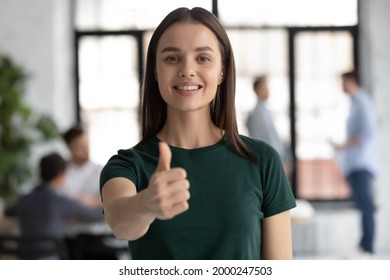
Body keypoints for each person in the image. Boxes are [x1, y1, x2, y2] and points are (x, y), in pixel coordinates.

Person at [100, 7, 296, 260]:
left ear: (222, 71)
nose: (187, 70)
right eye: (172, 58)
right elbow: (121, 222)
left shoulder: (262, 160)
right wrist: (147, 203)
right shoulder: (126, 166)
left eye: (202, 58)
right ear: (156, 71)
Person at [4, 152, 104, 259]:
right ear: (60, 175)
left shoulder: (25, 199)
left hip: (22, 259)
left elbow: (8, 211)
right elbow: (97, 216)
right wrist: (91, 201)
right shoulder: (63, 202)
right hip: (49, 258)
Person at [332, 70, 379, 256]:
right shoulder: (354, 103)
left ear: (351, 81)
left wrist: (342, 146)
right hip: (355, 163)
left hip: (362, 163)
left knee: (366, 205)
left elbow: (365, 134)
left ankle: (367, 246)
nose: (341, 86)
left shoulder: (362, 103)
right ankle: (364, 243)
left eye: (343, 82)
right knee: (363, 205)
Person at [246, 76, 291, 177]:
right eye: (264, 87)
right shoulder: (255, 114)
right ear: (257, 90)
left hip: (273, 159)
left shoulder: (266, 111)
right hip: (268, 161)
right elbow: (263, 140)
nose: (267, 90)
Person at [62, 125, 102, 207]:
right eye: (80, 147)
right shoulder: (61, 170)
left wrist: (92, 201)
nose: (86, 150)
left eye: (87, 145)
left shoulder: (99, 170)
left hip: (93, 218)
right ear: (69, 147)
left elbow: (111, 200)